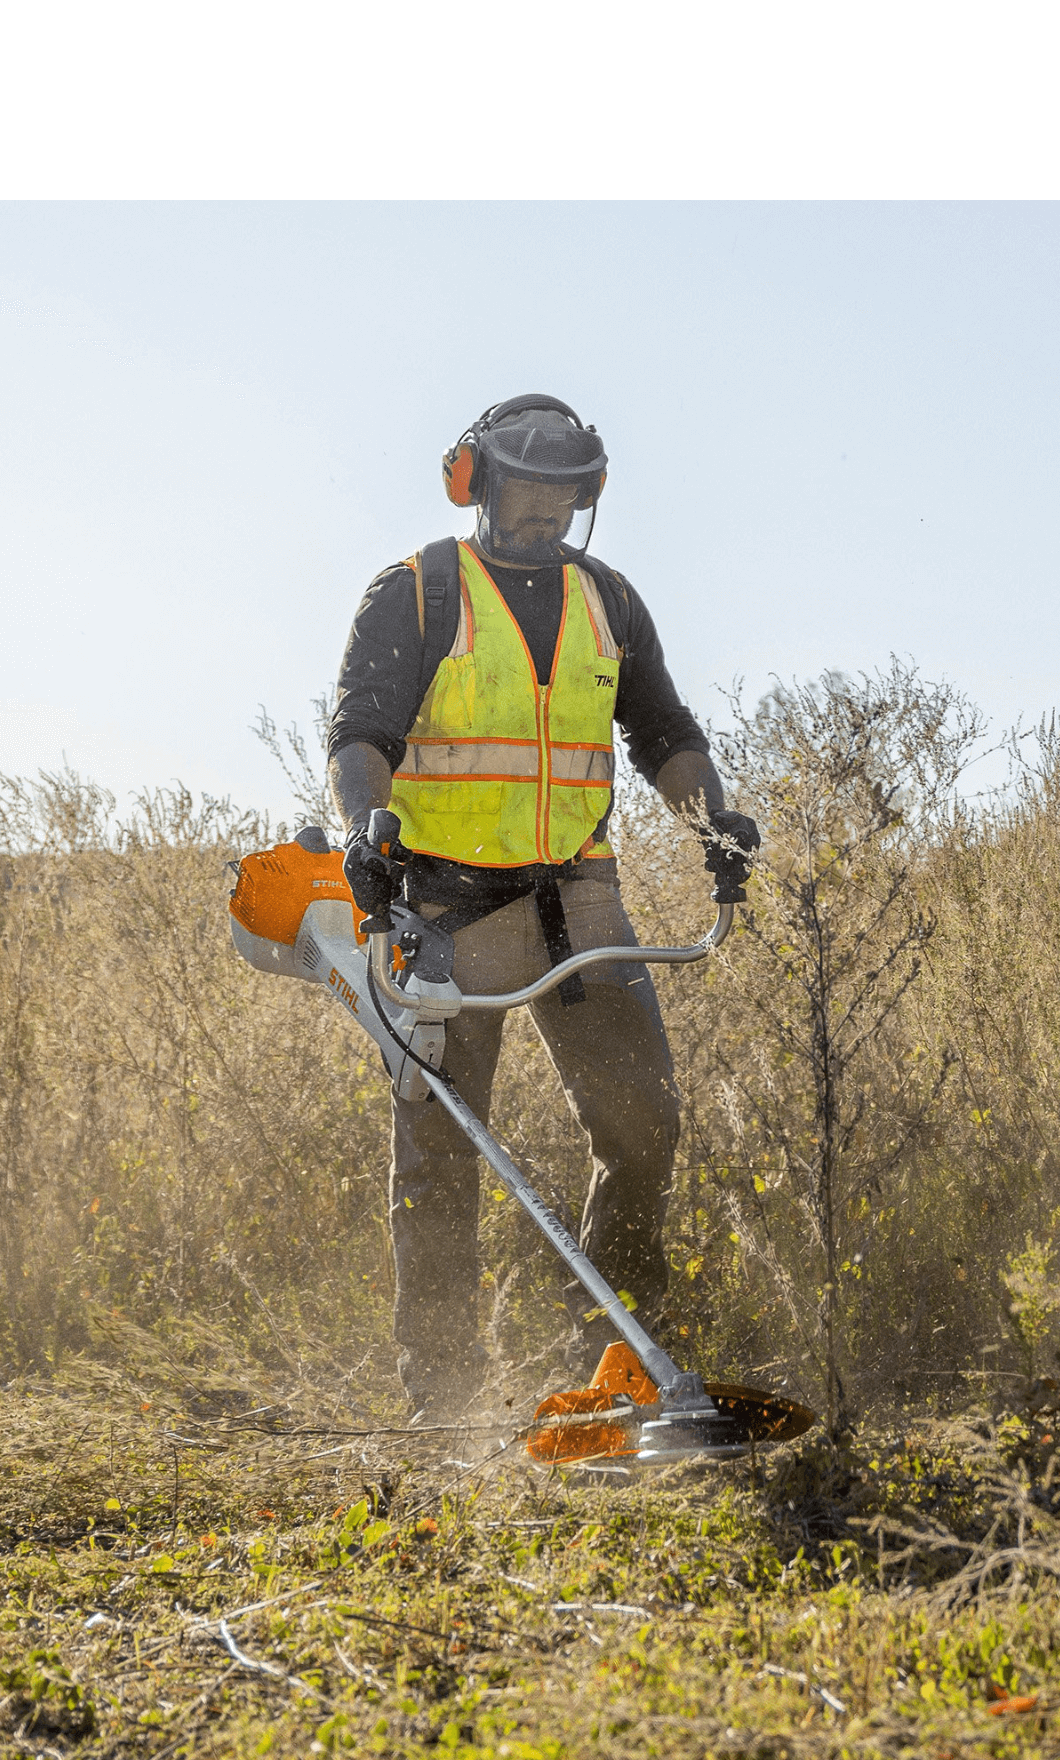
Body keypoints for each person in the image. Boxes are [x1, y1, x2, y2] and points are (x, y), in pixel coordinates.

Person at [324, 394, 760, 1418]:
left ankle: (610, 1366)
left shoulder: (607, 598)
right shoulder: (419, 591)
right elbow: (361, 733)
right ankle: (445, 1395)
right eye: (522, 488)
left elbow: (659, 729)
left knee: (643, 1126)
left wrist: (714, 820)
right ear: (473, 480)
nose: (542, 512)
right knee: (440, 1151)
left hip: (578, 899)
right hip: (439, 908)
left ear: (585, 496)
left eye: (562, 494)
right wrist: (365, 832)